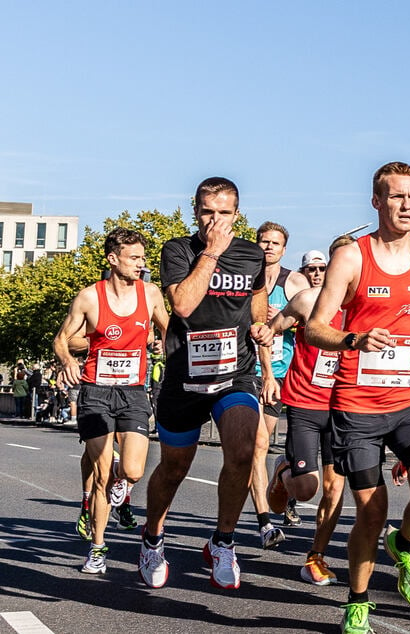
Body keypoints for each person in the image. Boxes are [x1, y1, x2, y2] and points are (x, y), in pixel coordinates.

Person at [305, 162, 410, 633]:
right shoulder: (351, 258)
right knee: (371, 511)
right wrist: (354, 339)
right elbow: (315, 327)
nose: (405, 205)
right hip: (357, 405)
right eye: (395, 197)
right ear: (376, 202)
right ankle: (358, 601)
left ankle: (405, 545)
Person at [138, 176, 276, 590]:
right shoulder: (178, 250)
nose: (215, 221)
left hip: (235, 373)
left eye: (224, 213)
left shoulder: (252, 255)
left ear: (237, 213)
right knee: (175, 467)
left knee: (242, 452)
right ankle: (153, 538)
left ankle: (223, 541)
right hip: (185, 377)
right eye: (207, 212)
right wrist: (212, 254)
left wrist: (261, 327)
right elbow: (181, 303)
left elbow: (257, 302)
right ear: (194, 210)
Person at [53, 227, 170, 574]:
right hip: (96, 392)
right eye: (134, 258)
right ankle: (98, 547)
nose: (141, 264)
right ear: (113, 259)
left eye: (143, 258)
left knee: (132, 471)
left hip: (133, 391)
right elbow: (62, 339)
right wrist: (69, 360)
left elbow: (169, 327)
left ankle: (120, 483)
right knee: (102, 475)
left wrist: (164, 343)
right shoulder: (89, 297)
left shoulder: (150, 294)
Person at [265, 234, 352, 585]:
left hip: (345, 405)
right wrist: (270, 375)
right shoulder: (307, 301)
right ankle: (284, 471)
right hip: (303, 399)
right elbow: (269, 332)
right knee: (306, 490)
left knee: (334, 487)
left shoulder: (364, 306)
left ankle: (316, 556)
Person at [248, 221, 309, 546]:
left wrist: (283, 319)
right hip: (252, 372)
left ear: (284, 249)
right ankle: (263, 522)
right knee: (257, 445)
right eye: (264, 241)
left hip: (287, 374)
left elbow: (312, 324)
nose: (269, 247)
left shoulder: (294, 281)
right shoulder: (245, 279)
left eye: (275, 243)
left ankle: (280, 483)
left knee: (277, 446)